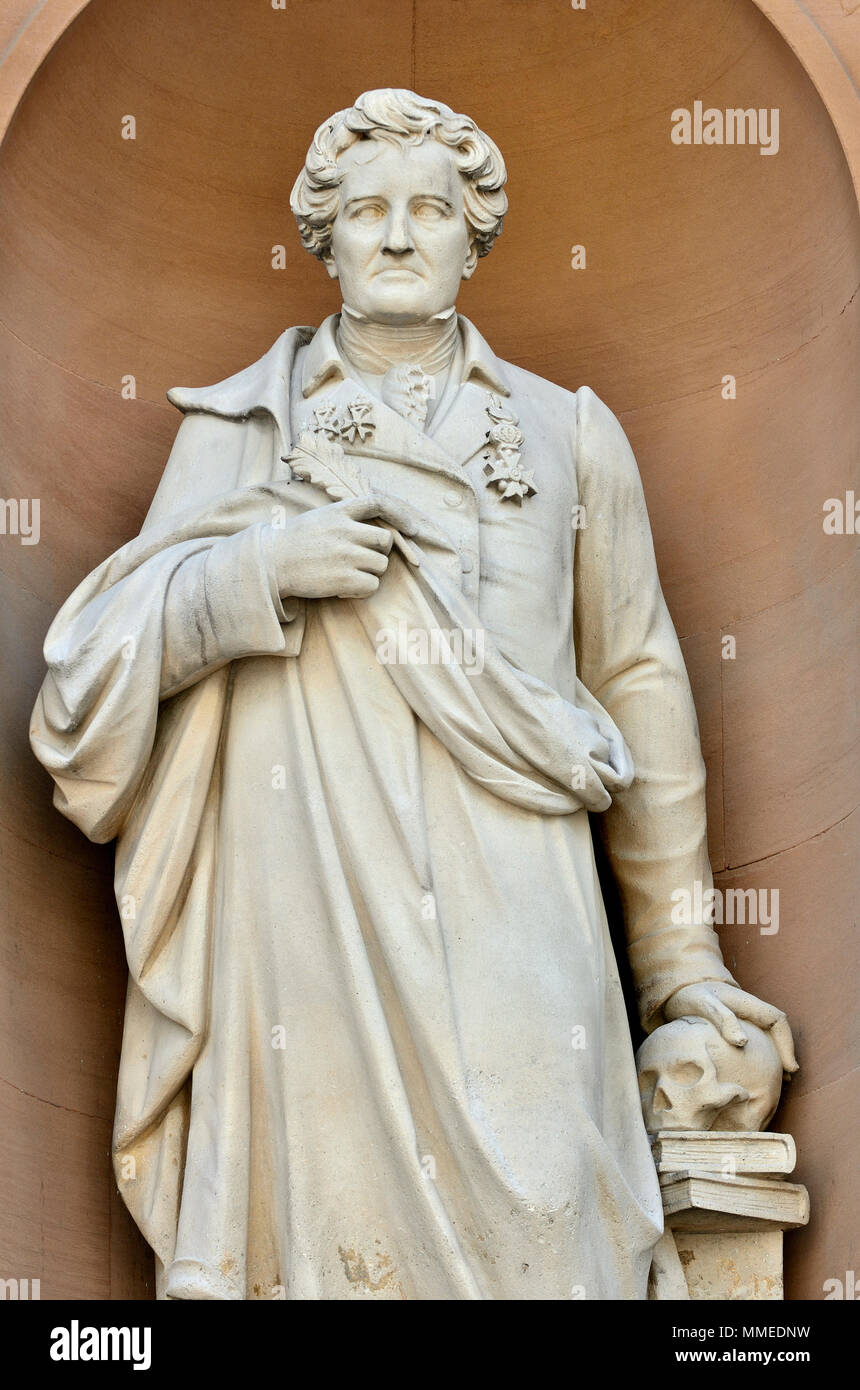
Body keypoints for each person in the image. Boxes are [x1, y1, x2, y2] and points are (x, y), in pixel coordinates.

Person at [30, 88, 796, 1300]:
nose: (396, 234)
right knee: (322, 1242)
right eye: (366, 209)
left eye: (429, 209)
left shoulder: (565, 436)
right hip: (304, 904)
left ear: (470, 238)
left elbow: (638, 684)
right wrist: (252, 574)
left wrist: (681, 962)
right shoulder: (241, 428)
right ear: (323, 237)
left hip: (517, 889)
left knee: (557, 1196)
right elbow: (83, 693)